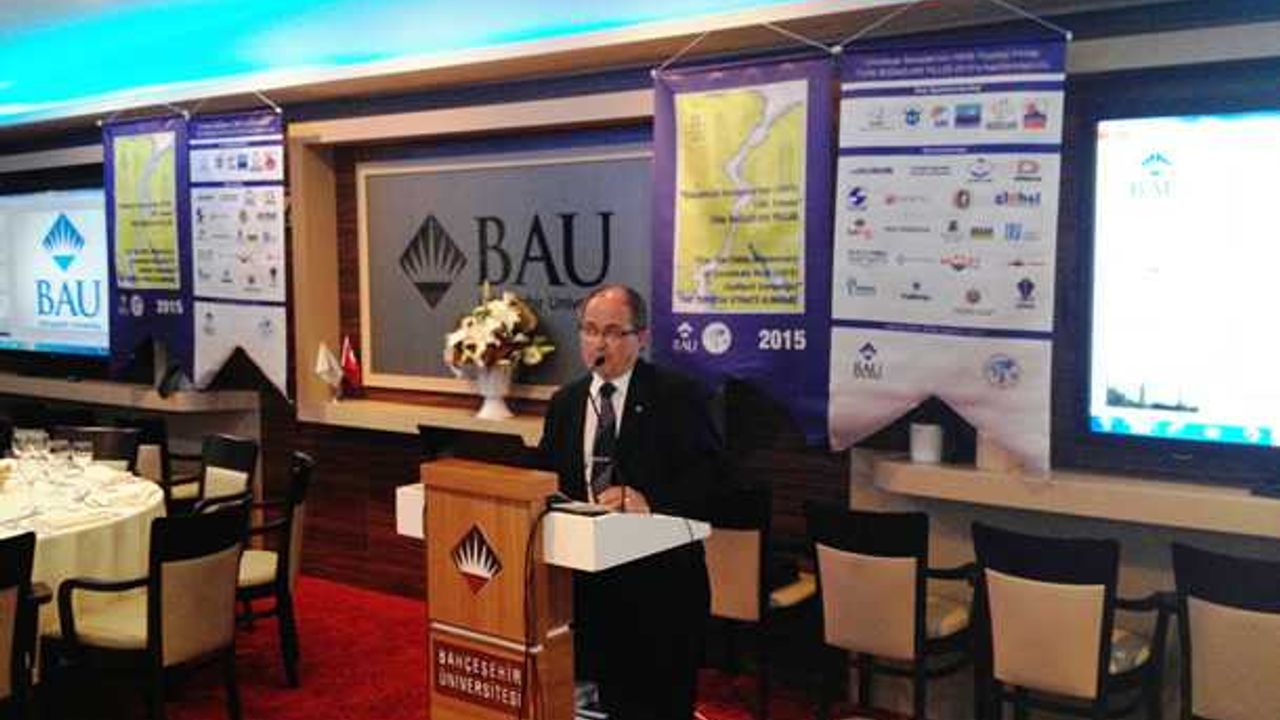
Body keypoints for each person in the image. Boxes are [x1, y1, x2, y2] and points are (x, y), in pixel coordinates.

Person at [539, 284, 723, 720]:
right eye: (589, 330)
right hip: (586, 589)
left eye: (612, 332)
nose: (598, 343)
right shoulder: (566, 403)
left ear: (641, 337)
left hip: (658, 591)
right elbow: (547, 477)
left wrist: (649, 499)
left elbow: (716, 482)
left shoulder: (679, 397)